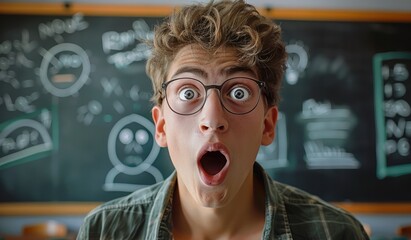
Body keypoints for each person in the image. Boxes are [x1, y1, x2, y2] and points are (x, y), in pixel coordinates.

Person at [77, 0, 370, 239]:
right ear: (161, 125)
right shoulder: (103, 231)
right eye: (188, 91)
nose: (212, 119)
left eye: (239, 92)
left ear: (267, 125)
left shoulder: (337, 233)